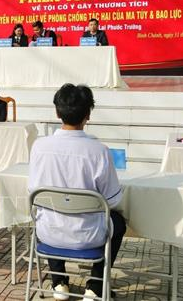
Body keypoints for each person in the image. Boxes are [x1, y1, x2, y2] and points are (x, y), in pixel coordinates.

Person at [28, 84, 125, 300]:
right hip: (89, 236)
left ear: (57, 112)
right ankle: (95, 287)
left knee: (50, 212)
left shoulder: (39, 146)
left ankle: (58, 283)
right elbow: (113, 201)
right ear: (88, 114)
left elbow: (33, 191)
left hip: (48, 234)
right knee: (118, 222)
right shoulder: (99, 151)